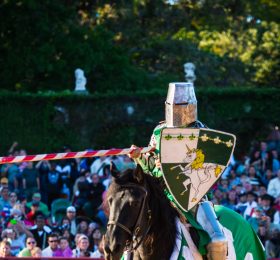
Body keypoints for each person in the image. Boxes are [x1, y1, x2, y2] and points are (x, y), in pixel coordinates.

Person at [129, 81, 265, 259]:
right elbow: (150, 166)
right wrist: (140, 157)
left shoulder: (202, 132)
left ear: (192, 105)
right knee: (128, 231)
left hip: (192, 199)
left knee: (218, 239)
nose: (178, 109)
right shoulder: (159, 131)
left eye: (182, 105)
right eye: (174, 105)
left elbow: (209, 169)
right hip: (160, 195)